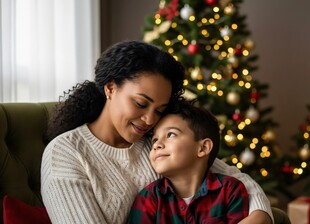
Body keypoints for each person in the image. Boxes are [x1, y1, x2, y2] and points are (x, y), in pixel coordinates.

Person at [41, 40, 273, 224]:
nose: (149, 120)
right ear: (111, 88)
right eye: (141, 104)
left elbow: (237, 180)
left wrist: (260, 215)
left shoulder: (153, 142)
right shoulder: (65, 153)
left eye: (159, 110)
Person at [128, 100, 249, 223]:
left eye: (170, 134)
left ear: (203, 148)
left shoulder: (230, 190)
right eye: (154, 140)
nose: (157, 145)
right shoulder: (148, 198)